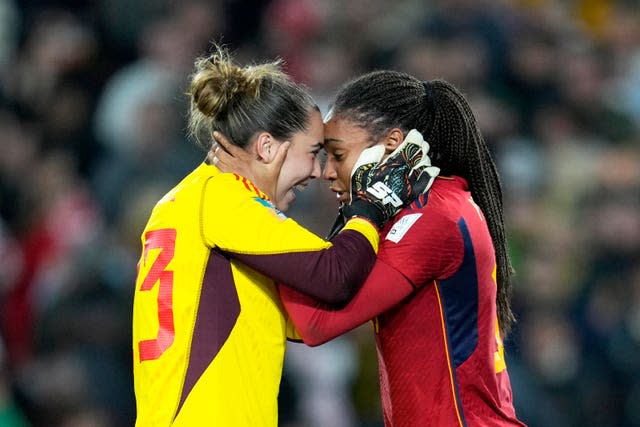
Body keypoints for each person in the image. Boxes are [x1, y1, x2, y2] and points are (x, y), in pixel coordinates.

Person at [131, 47, 436, 427]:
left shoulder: (189, 202)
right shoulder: (224, 198)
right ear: (266, 146)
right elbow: (334, 275)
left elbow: (310, 312)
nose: (317, 170)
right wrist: (373, 203)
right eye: (312, 152)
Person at [277, 71, 527, 426]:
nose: (326, 172)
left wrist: (261, 225)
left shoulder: (433, 219)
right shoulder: (430, 207)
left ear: (391, 144)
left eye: (337, 154)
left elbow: (315, 324)